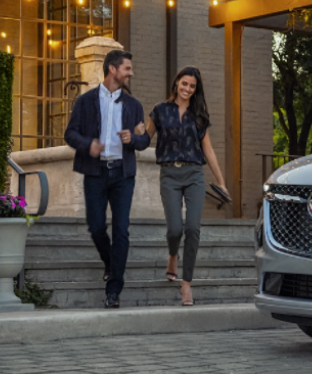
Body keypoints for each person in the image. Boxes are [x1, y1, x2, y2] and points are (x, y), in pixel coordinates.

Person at [63, 50, 150, 309]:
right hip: (96, 172)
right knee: (97, 227)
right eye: (127, 68)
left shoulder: (133, 105)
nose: (130, 73)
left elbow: (144, 140)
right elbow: (70, 134)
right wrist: (87, 144)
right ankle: (111, 263)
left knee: (121, 230)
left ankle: (113, 289)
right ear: (113, 69)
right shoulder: (86, 101)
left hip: (123, 175)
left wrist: (132, 139)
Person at [145, 66, 230, 306]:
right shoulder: (160, 111)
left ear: (196, 89)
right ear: (176, 83)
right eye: (184, 84)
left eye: (192, 86)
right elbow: (145, 139)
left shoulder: (198, 116)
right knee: (174, 229)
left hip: (194, 174)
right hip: (169, 175)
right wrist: (133, 135)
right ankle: (173, 255)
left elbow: (209, 151)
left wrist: (221, 182)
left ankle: (186, 284)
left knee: (192, 228)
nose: (187, 89)